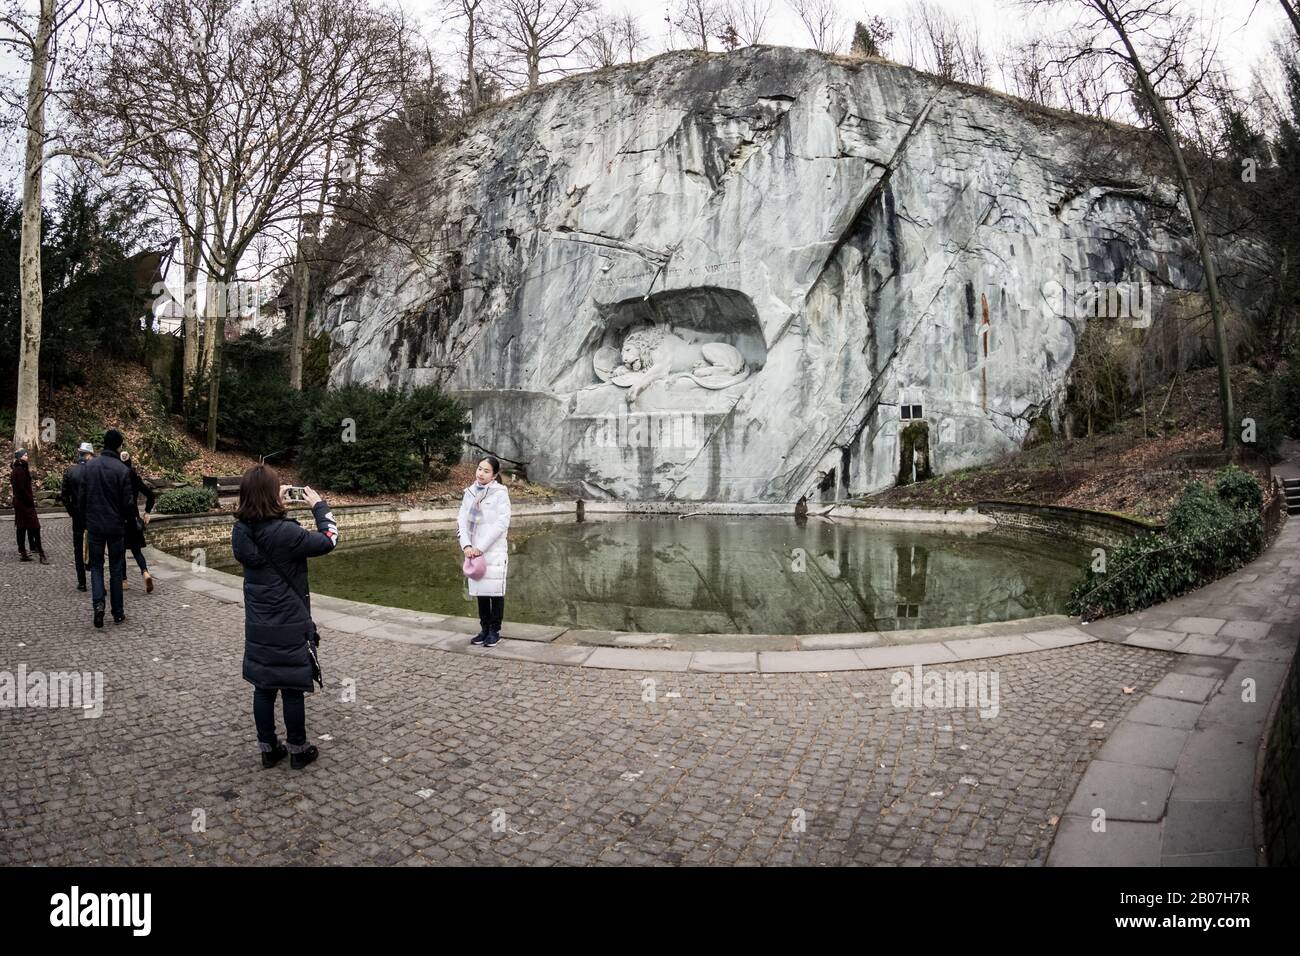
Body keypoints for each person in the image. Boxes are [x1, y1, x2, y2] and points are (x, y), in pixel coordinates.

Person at [231, 465, 338, 770]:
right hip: (290, 622)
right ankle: (298, 749)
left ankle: (268, 749)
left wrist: (270, 504)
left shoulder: (240, 532)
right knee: (292, 688)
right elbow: (329, 539)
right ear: (271, 495)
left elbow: (257, 522)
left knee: (263, 687)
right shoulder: (287, 533)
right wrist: (319, 506)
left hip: (258, 624)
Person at [79, 429, 135, 628]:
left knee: (96, 567)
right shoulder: (122, 470)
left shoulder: (90, 467)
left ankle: (98, 605)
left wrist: (85, 520)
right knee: (116, 568)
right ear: (119, 446)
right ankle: (118, 612)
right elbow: (128, 503)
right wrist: (129, 522)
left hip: (94, 525)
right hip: (115, 527)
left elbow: (82, 498)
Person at [457, 456, 511, 648]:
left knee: (495, 592)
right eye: (480, 469)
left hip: (493, 551)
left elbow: (501, 524)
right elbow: (462, 521)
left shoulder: (500, 493)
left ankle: (494, 630)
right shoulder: (469, 493)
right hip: (473, 552)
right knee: (480, 592)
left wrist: (481, 547)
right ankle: (484, 628)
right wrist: (467, 546)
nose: (481, 473)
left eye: (486, 471)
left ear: (494, 475)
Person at [118, 450, 156, 594]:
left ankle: (124, 580)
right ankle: (145, 572)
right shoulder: (135, 477)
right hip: (133, 518)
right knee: (136, 551)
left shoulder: (117, 476)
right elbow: (150, 495)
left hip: (120, 519)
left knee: (120, 551)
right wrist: (147, 512)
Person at [63, 442, 94, 590]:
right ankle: (96, 580)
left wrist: (71, 511)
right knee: (95, 547)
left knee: (77, 549)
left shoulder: (70, 471)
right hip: (92, 515)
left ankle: (81, 582)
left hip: (77, 515)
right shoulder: (94, 471)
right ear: (88, 455)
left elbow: (64, 496)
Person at [10, 448, 47, 564]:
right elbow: (22, 489)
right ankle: (41, 553)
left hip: (20, 504)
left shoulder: (17, 469)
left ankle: (23, 552)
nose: (27, 457)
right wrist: (30, 500)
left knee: (21, 528)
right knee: (35, 527)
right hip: (25, 505)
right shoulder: (20, 470)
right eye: (25, 455)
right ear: (20, 457)